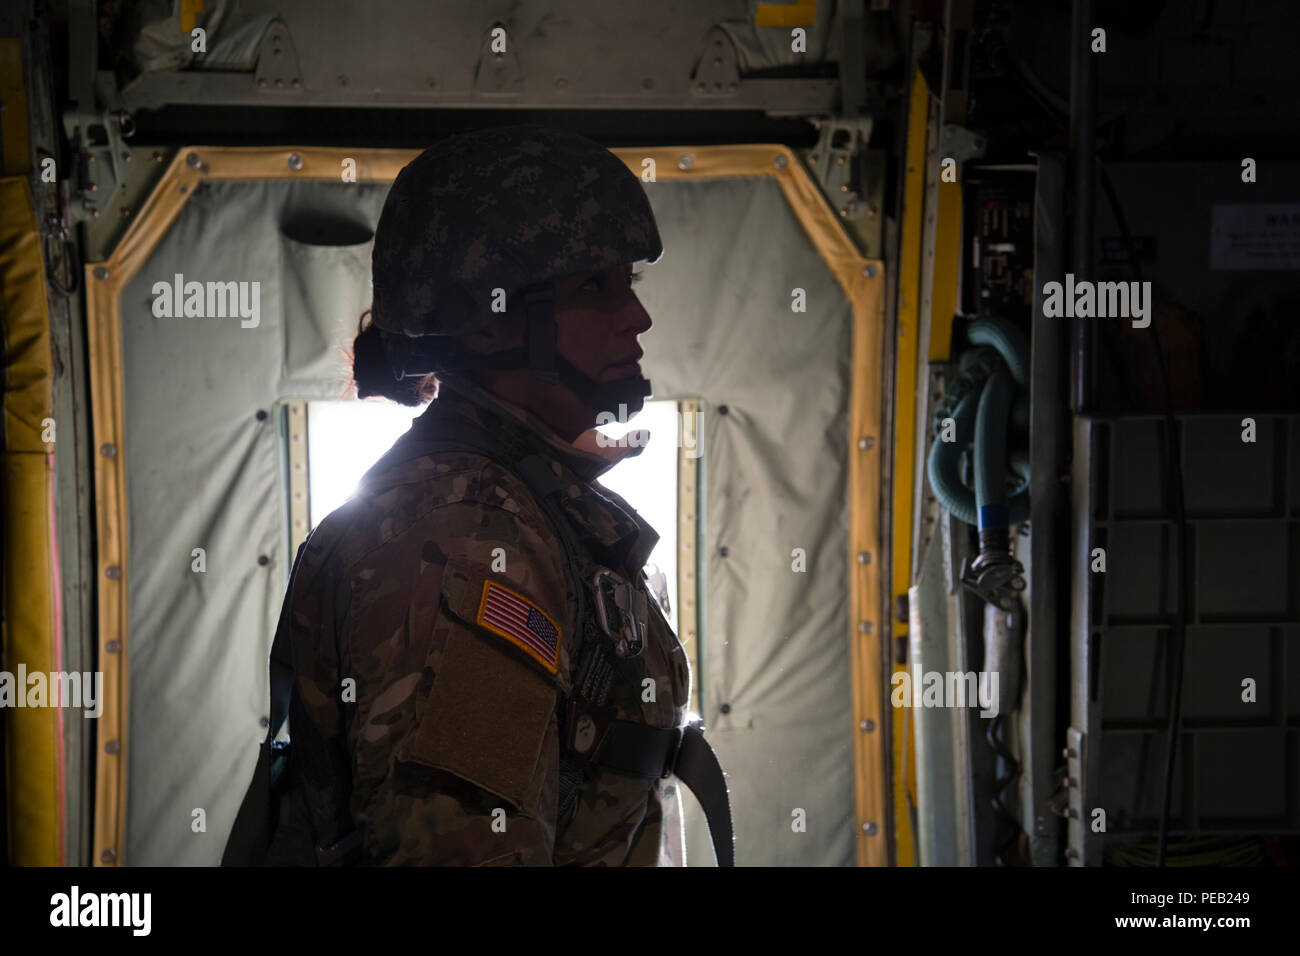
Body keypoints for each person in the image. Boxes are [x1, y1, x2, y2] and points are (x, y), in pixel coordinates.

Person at [260, 124, 732, 866]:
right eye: (592, 287)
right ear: (488, 325)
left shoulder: (521, 504)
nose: (636, 316)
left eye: (628, 283)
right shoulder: (464, 534)